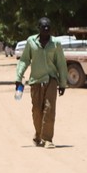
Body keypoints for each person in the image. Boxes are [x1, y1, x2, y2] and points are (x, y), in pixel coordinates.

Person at [15, 17, 67, 149]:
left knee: (49, 109)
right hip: (36, 81)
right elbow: (24, 60)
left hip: (51, 80)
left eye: (48, 26)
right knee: (36, 111)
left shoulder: (56, 44)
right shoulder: (31, 42)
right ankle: (38, 134)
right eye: (43, 26)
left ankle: (48, 139)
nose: (46, 29)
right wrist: (18, 77)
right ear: (38, 28)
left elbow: (61, 63)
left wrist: (62, 83)